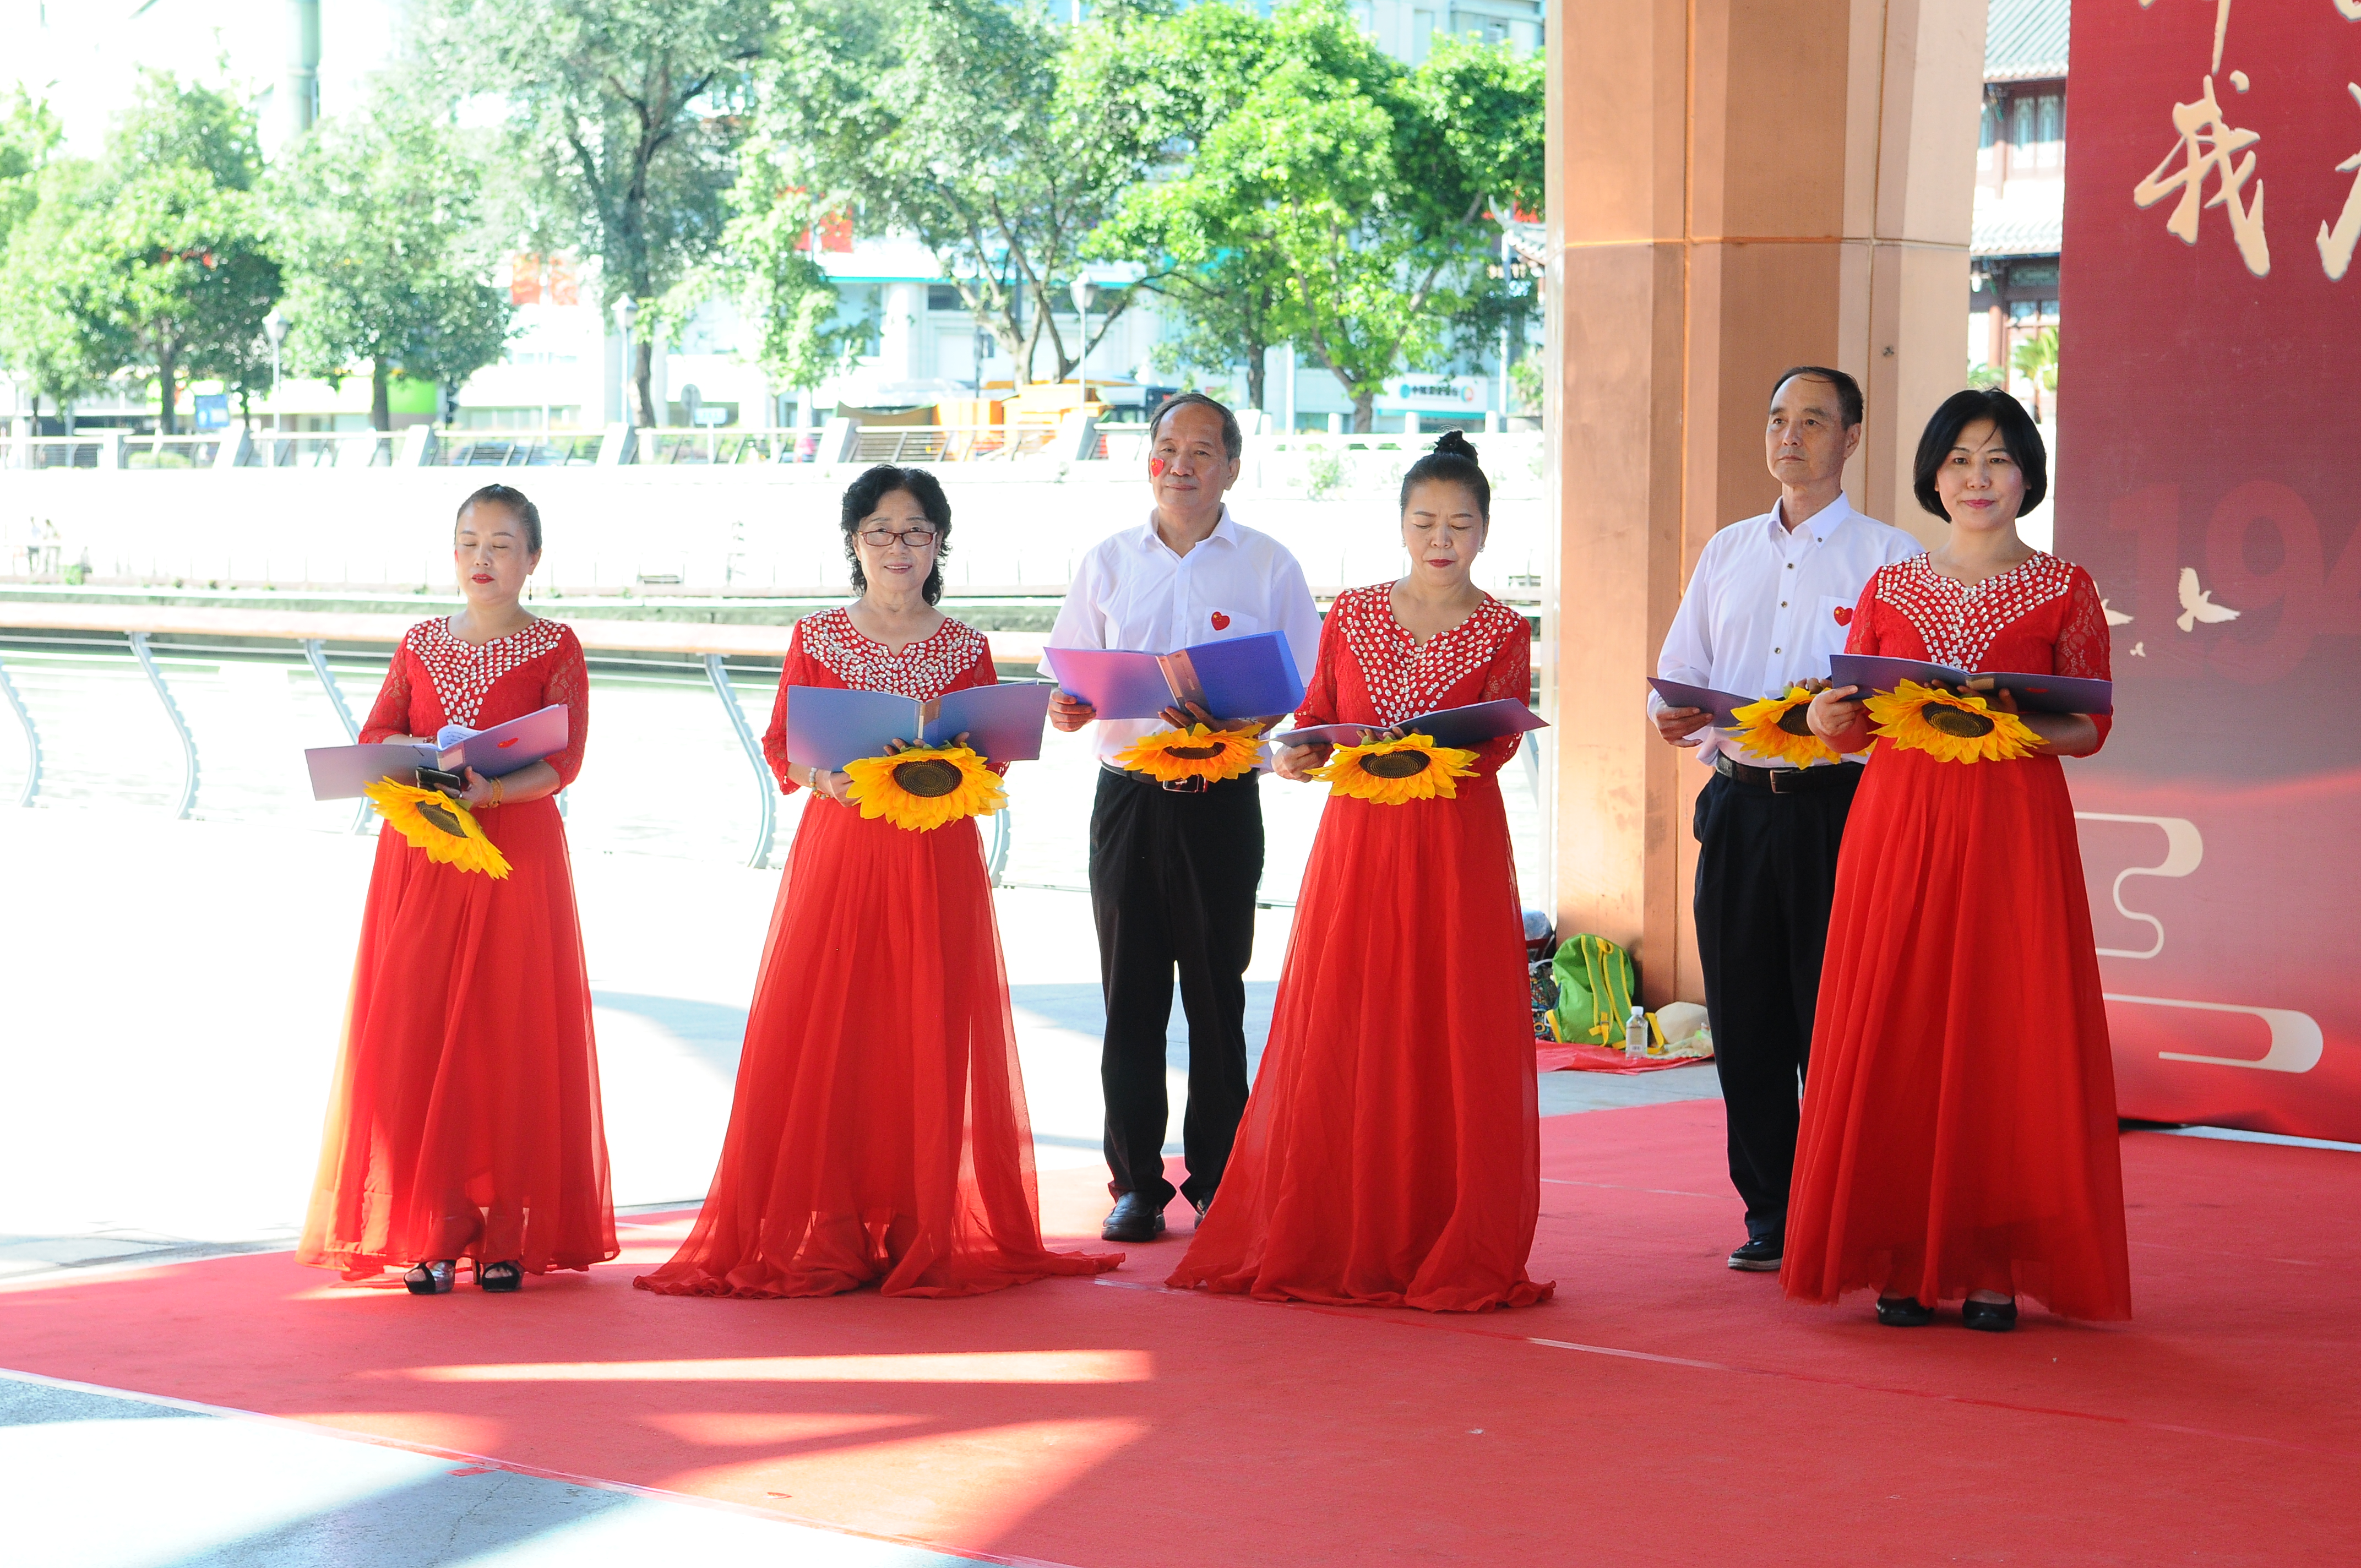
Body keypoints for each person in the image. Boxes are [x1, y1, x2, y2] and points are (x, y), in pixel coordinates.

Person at [637, 466, 1119, 1298]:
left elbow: (989, 751)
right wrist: (830, 781)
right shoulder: (818, 637)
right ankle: (825, 1223)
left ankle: (914, 1224)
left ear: (940, 544)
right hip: (845, 852)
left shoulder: (965, 644)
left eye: (917, 532)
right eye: (881, 532)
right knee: (834, 1031)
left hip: (936, 858)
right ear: (854, 542)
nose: (899, 548)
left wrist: (970, 752)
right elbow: (786, 744)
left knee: (923, 1031)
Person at [1167, 432, 1552, 1312]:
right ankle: (1338, 1220)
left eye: (1459, 522)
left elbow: (1494, 741)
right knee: (1353, 1013)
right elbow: (1317, 718)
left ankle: (1435, 1224)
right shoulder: (1353, 613)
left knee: (1444, 1018)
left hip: (1453, 845)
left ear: (1486, 531)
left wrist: (1432, 747)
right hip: (1362, 844)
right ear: (1402, 526)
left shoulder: (1503, 628)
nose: (1440, 538)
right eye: (1425, 521)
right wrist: (1297, 752)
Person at [1784, 390, 2130, 1330]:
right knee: (1901, 1020)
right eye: (1960, 461)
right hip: (1900, 825)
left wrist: (2008, 717)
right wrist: (1824, 719)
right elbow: (1854, 723)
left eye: (1999, 460)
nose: (1978, 479)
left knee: (2002, 1026)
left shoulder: (2067, 586)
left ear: (2029, 476)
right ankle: (1898, 1254)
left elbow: (2089, 725)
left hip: (2013, 828)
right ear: (1932, 476)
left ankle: (1987, 1264)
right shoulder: (1892, 587)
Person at [298, 484, 614, 1294]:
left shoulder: (557, 647)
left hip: (516, 859)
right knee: (421, 1029)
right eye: (470, 541)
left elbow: (565, 762)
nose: (484, 557)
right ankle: (431, 1232)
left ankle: (506, 1231)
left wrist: (492, 792)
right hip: (427, 855)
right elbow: (373, 737)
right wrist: (414, 752)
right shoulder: (418, 643)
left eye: (503, 544)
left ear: (533, 560)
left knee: (506, 1033)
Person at [1651, 367, 1923, 1274]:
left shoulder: (1892, 558)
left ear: (1851, 439)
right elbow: (1678, 674)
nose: (1790, 435)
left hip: (1836, 814)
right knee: (1746, 1015)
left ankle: (1847, 1204)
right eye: (1778, 419)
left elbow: (1906, 706)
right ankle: (1769, 1208)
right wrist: (1670, 713)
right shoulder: (1727, 550)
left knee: (1833, 1018)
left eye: (1813, 420)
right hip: (1735, 801)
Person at [1045, 394, 1324, 1244]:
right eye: (1168, 446)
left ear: (1233, 466)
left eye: (1203, 449)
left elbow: (1302, 690)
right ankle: (1135, 1186)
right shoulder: (1107, 562)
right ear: (1149, 459)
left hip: (1221, 800)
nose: (1182, 463)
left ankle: (1218, 1179)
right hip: (1128, 797)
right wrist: (1066, 706)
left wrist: (1250, 721)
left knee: (1215, 998)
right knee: (1129, 998)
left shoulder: (1269, 567)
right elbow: (1070, 679)